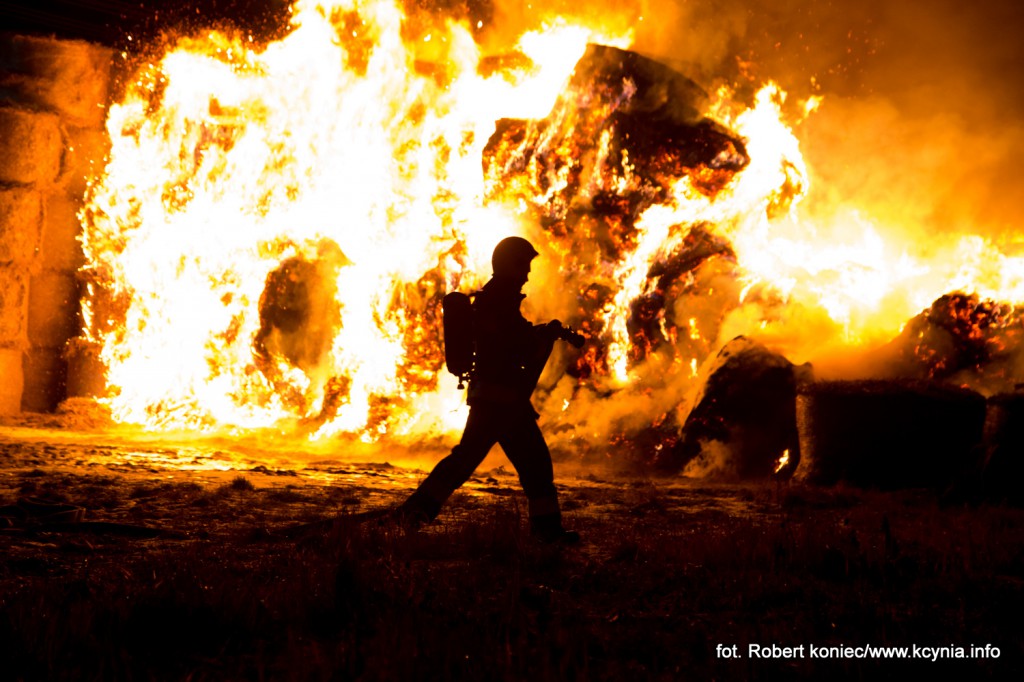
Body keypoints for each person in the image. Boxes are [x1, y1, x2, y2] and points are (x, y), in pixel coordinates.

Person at [397, 236, 580, 543]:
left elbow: (514, 336)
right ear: (508, 265)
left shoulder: (498, 299)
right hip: (500, 401)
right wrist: (541, 339)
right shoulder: (497, 301)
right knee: (507, 464)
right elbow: (514, 346)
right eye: (523, 265)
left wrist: (542, 332)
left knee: (493, 463)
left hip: (501, 401)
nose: (527, 273)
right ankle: (413, 514)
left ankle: (414, 514)